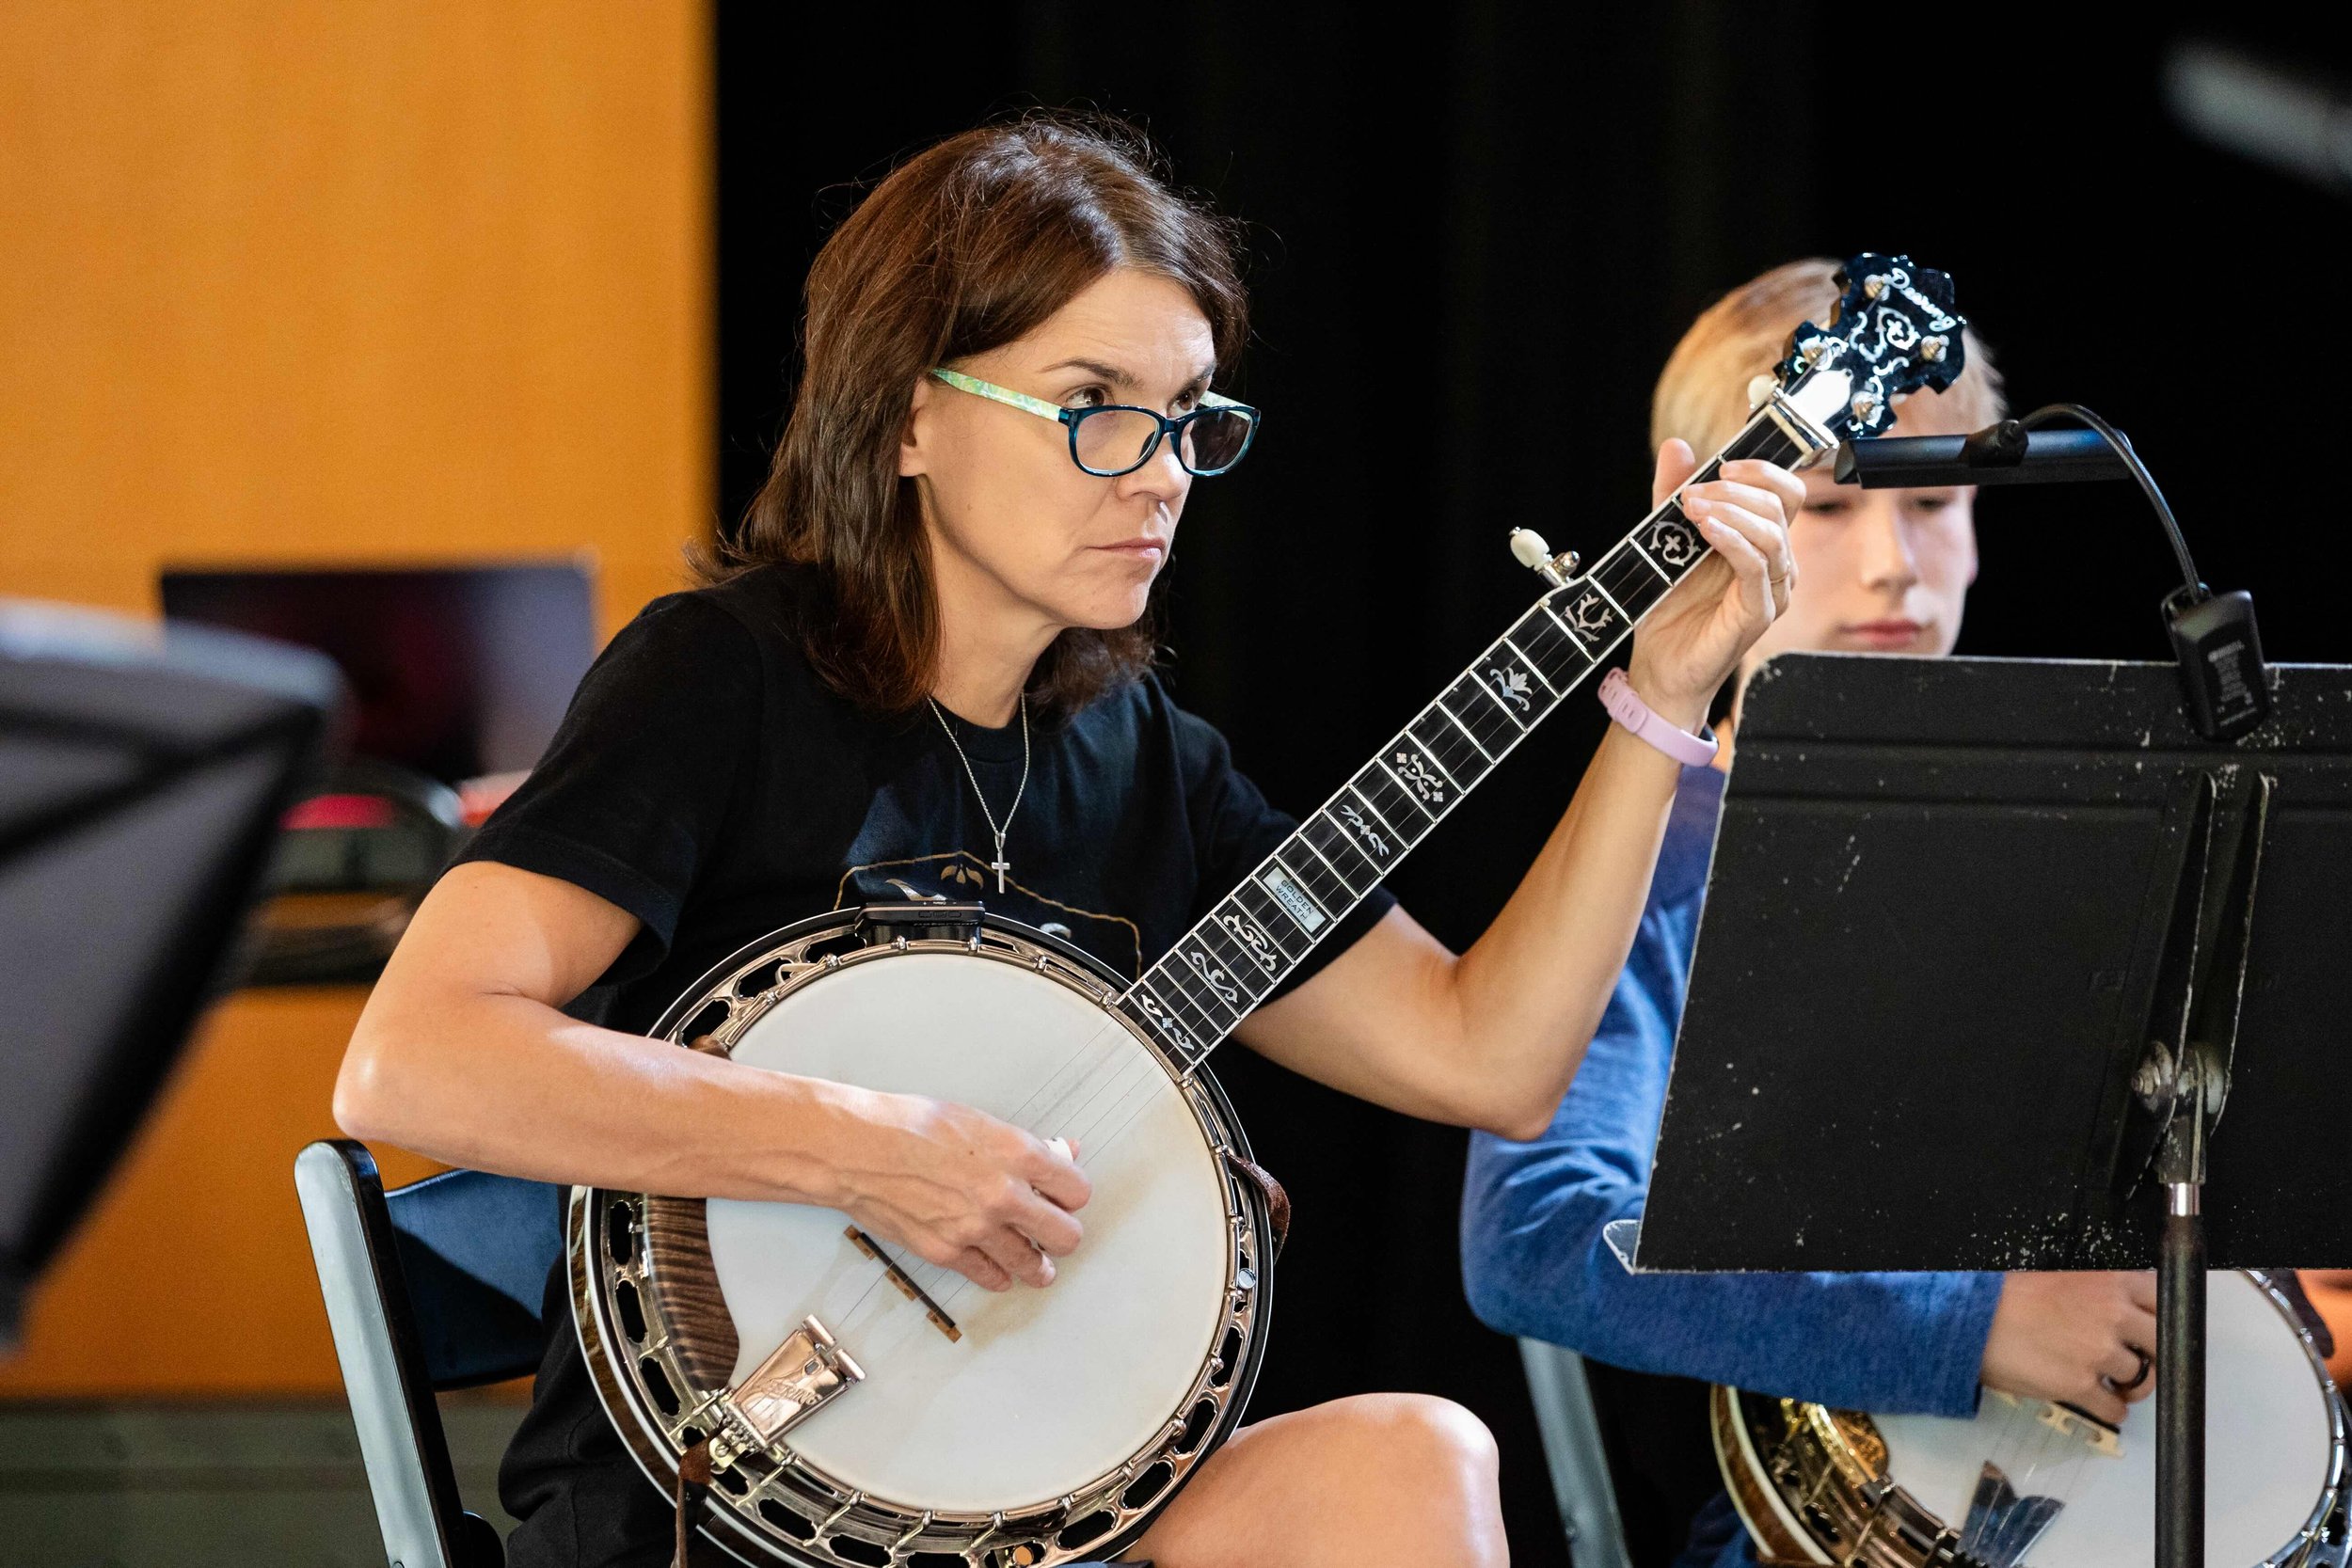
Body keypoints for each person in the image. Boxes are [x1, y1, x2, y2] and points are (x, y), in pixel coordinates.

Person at [333, 116, 1801, 1568]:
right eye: (1095, 401)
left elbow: (1490, 1054)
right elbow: (419, 1057)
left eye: (1189, 417)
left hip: (1017, 1522)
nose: (1159, 471)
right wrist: (874, 1152)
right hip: (708, 1508)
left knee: (1415, 1458)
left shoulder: (1138, 753)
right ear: (909, 415)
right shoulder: (724, 682)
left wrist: (1656, 708)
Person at [1458, 259, 2161, 1568]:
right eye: (1832, 508)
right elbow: (1535, 1238)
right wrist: (1967, 1322)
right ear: (1712, 516)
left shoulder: (2088, 829)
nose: (1896, 564)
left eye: (1939, 499)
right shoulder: (1650, 866)